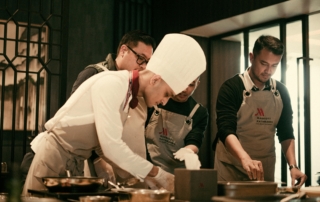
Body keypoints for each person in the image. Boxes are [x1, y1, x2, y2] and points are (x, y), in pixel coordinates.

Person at [22, 33, 206, 195]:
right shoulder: (112, 83)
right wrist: (157, 173)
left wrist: (140, 178)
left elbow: (105, 143)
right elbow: (111, 145)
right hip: (54, 156)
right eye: (166, 94)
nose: (164, 102)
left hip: (75, 162)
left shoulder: (127, 91)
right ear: (155, 80)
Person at [20, 30, 156, 188]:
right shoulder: (98, 74)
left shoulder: (129, 86)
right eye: (140, 59)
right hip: (58, 156)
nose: (143, 66)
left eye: (147, 62)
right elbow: (76, 121)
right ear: (123, 50)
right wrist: (98, 159)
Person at [213, 35, 307, 187]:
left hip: (263, 169)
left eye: (274, 65)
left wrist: (293, 166)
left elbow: (286, 132)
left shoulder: (281, 92)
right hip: (231, 167)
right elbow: (225, 129)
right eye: (264, 63)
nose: (268, 71)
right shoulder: (231, 88)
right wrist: (245, 158)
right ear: (251, 57)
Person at [145, 76, 208, 174]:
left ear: (197, 84)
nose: (184, 89)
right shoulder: (155, 99)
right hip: (149, 166)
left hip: (176, 172)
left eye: (191, 84)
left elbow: (195, 140)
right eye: (181, 82)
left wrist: (188, 151)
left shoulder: (198, 112)